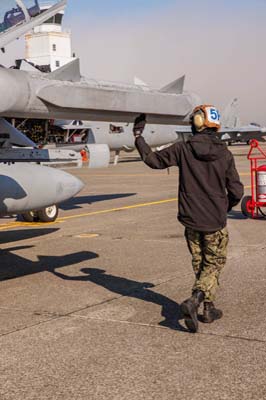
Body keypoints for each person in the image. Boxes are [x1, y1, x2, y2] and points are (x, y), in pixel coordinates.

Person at [133, 107, 244, 333]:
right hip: (214, 221)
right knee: (213, 265)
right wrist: (224, 207)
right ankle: (195, 301)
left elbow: (153, 160)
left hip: (190, 219)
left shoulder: (183, 149)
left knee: (200, 263)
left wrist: (138, 136)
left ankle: (208, 309)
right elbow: (237, 191)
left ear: (197, 122)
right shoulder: (225, 154)